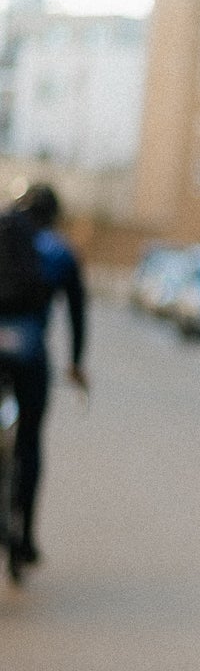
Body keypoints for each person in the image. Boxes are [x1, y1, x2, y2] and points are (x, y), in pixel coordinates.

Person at [0, 181, 87, 575]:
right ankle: (27, 536)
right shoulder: (61, 251)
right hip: (30, 355)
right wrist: (75, 363)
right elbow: (76, 313)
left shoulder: (5, 233)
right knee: (29, 440)